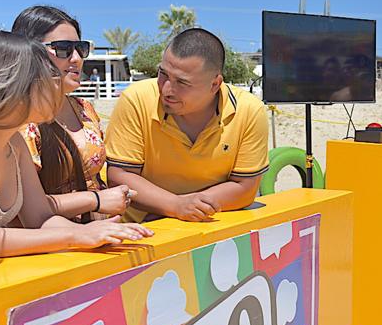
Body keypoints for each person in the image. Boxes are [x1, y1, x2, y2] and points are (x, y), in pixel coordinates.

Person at [0, 30, 151, 259]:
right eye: (46, 77)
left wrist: (98, 232)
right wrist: (75, 236)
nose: (56, 86)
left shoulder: (15, 142)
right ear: (12, 85)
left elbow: (40, 218)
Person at [105, 28, 270, 222]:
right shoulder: (136, 99)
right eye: (163, 74)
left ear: (215, 84)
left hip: (214, 228)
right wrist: (174, 206)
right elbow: (119, 176)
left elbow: (245, 188)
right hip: (138, 230)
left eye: (182, 82)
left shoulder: (249, 110)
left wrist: (186, 207)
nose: (166, 89)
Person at [12, 6, 128, 220]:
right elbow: (21, 208)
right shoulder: (20, 120)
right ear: (28, 52)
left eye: (81, 48)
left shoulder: (84, 108)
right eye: (63, 48)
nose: (76, 58)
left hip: (101, 231)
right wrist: (96, 200)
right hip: (55, 237)